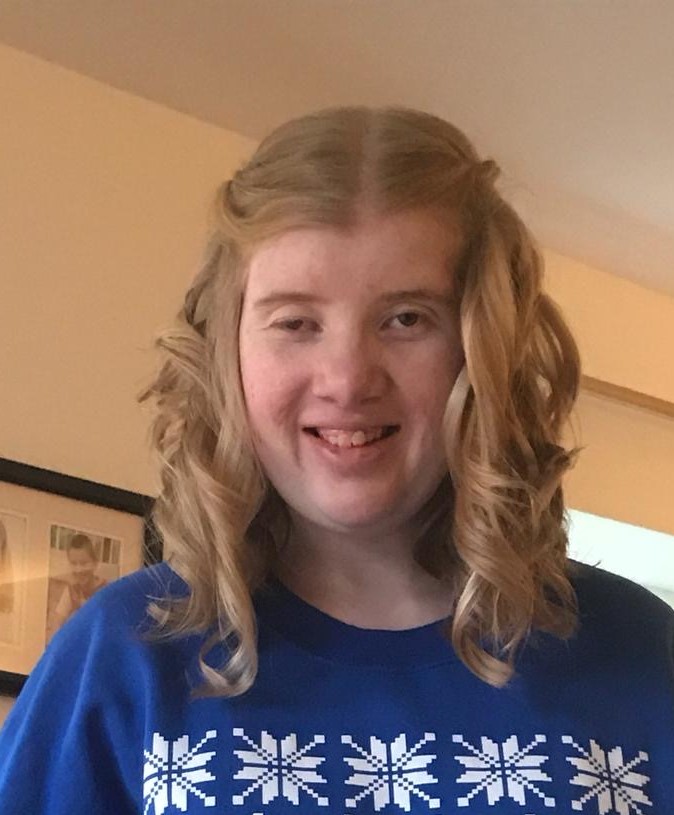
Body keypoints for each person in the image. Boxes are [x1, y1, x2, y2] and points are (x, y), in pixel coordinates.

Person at [0, 106, 672, 814]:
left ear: (482, 349)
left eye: (407, 318)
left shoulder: (638, 651)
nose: (348, 378)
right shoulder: (125, 653)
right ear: (225, 354)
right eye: (296, 322)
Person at [45, 533, 108, 640]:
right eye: (74, 563)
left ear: (95, 564)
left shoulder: (105, 591)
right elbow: (57, 623)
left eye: (84, 563)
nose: (79, 570)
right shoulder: (71, 590)